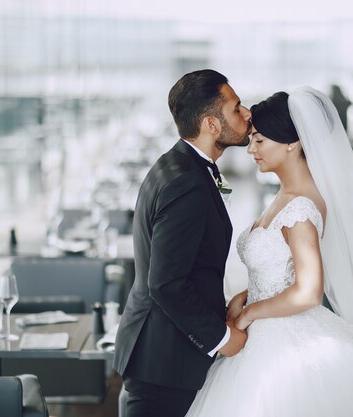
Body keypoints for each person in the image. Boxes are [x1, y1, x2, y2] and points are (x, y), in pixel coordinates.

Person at [185, 88, 353, 416]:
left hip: (282, 340)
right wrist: (247, 294)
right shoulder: (287, 193)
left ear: (291, 142)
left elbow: (310, 291)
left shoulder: (299, 206)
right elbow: (281, 271)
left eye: (259, 140)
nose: (251, 149)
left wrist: (251, 312)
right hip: (267, 327)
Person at [113, 69, 251, 417]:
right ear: (211, 124)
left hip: (165, 354)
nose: (247, 113)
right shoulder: (185, 182)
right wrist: (221, 337)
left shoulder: (179, 166)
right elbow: (166, 283)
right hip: (163, 361)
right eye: (236, 108)